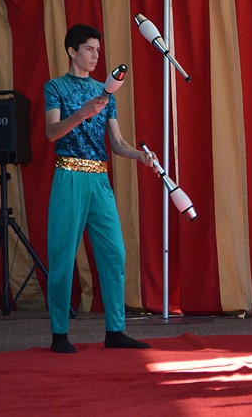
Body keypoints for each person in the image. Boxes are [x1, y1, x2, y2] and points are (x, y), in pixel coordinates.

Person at [44, 23, 155, 353]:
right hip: (69, 177)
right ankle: (59, 334)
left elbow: (117, 142)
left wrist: (140, 155)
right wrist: (82, 112)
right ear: (72, 51)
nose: (96, 55)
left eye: (97, 50)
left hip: (99, 179)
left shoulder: (105, 93)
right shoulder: (56, 87)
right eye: (90, 49)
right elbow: (52, 133)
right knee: (63, 256)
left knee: (114, 253)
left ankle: (115, 331)